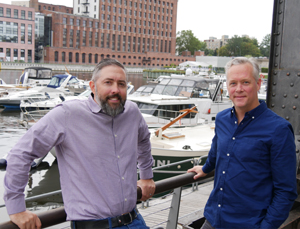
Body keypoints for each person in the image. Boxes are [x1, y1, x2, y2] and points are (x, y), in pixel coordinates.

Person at [4, 58, 155, 229]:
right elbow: (20, 154)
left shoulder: (132, 111)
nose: (116, 89)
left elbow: (143, 139)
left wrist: (146, 175)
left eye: (121, 84)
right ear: (92, 86)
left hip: (134, 220)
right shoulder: (67, 114)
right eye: (108, 82)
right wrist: (16, 208)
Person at [188, 57, 297, 229]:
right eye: (233, 83)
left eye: (245, 82)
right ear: (227, 86)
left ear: (258, 82)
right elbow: (216, 151)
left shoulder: (279, 130)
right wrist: (206, 168)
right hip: (213, 219)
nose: (239, 89)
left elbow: (286, 191)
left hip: (248, 224)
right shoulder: (222, 119)